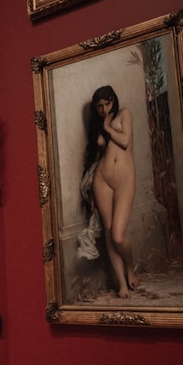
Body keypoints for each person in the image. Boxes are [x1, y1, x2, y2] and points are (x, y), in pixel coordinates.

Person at [79, 85, 140, 298]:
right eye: (99, 106)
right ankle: (121, 283)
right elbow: (96, 159)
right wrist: (91, 192)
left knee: (118, 235)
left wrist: (108, 127)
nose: (104, 109)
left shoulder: (124, 115)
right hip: (102, 180)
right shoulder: (99, 125)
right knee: (107, 231)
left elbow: (124, 141)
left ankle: (130, 267)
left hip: (124, 178)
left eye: (107, 104)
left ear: (114, 101)